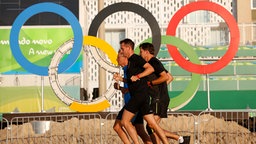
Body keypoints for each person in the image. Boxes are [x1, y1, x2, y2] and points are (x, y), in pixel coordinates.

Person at [113, 38, 169, 144]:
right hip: (142, 96)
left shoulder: (135, 58)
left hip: (138, 96)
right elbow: (132, 80)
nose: (121, 51)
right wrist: (121, 79)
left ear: (129, 48)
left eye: (122, 48)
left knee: (125, 121)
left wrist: (138, 75)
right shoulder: (130, 62)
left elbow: (150, 69)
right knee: (153, 125)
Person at [139, 42, 190, 144]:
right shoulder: (154, 63)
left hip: (158, 99)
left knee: (151, 126)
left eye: (141, 52)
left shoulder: (154, 62)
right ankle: (181, 139)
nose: (140, 54)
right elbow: (170, 77)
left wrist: (152, 84)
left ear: (146, 52)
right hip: (159, 98)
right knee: (151, 127)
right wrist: (160, 88)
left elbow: (166, 77)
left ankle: (180, 138)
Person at [113, 50, 152, 144]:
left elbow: (134, 86)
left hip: (133, 102)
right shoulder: (126, 69)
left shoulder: (130, 69)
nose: (117, 59)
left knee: (121, 125)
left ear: (124, 58)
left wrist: (121, 83)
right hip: (133, 101)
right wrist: (120, 87)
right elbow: (128, 87)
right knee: (140, 130)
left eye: (118, 57)